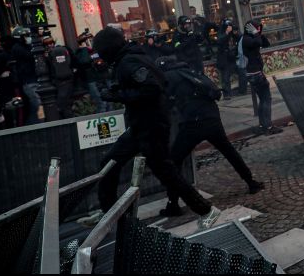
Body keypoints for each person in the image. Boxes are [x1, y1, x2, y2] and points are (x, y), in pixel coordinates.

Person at [86, 27, 220, 230]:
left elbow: (152, 88)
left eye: (101, 53)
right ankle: (109, 212)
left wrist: (119, 95)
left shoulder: (129, 61)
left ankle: (206, 210)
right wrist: (120, 90)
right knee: (110, 164)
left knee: (166, 172)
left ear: (108, 49)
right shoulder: (129, 59)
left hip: (151, 126)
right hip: (142, 125)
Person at [156, 55, 264, 216]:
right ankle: (251, 182)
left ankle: (173, 204)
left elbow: (163, 102)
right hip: (212, 118)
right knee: (228, 150)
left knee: (173, 162)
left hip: (192, 124)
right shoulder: (190, 70)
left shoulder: (169, 77)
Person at [242, 19, 282, 135]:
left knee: (263, 99)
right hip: (255, 74)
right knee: (266, 99)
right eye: (256, 28)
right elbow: (257, 43)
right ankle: (268, 126)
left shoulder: (253, 37)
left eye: (259, 28)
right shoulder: (246, 39)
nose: (258, 30)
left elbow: (266, 43)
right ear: (250, 29)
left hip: (255, 73)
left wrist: (259, 33)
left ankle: (262, 125)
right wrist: (256, 34)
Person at [11, 26, 42, 124]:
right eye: (26, 36)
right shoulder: (18, 48)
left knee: (35, 106)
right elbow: (30, 56)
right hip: (28, 81)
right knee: (37, 104)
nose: (28, 37)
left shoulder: (26, 46)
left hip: (33, 79)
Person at [74, 30, 106, 113]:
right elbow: (85, 61)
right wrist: (84, 48)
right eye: (88, 41)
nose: (90, 42)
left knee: (106, 101)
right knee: (99, 101)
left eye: (91, 40)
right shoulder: (80, 53)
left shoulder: (94, 50)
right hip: (90, 79)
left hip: (100, 78)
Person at [47, 36, 75, 119]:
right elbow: (70, 62)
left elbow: (50, 66)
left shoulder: (51, 53)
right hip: (68, 78)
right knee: (67, 103)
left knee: (62, 103)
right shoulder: (65, 50)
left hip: (58, 80)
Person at [216, 19, 238, 100]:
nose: (229, 28)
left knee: (241, 71)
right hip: (224, 59)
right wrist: (226, 33)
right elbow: (219, 41)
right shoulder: (221, 33)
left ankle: (242, 90)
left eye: (230, 26)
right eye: (228, 26)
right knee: (225, 77)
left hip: (232, 57)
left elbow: (237, 38)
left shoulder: (232, 33)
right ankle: (227, 94)